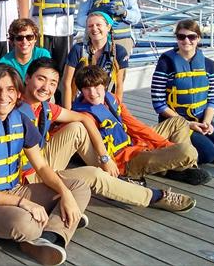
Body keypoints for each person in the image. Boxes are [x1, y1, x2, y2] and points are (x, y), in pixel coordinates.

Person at [0, 63, 90, 265]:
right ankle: (52, 223)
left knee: (78, 187)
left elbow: (42, 167)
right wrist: (24, 203)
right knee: (26, 223)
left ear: (18, 93)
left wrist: (66, 194)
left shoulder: (21, 120)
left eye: (10, 90)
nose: (3, 96)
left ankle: (52, 237)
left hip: (14, 190)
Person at [21, 58, 195, 213]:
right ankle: (155, 196)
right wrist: (105, 160)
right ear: (27, 79)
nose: (46, 87)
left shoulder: (46, 108)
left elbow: (86, 120)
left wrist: (105, 158)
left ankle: (140, 174)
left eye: (52, 83)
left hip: (44, 163)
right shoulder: (15, 113)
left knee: (77, 127)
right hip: (28, 178)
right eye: (41, 79)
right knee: (95, 175)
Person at [72, 65, 211, 186]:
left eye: (97, 87)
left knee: (179, 122)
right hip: (125, 161)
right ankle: (177, 166)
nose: (92, 93)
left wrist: (165, 145)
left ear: (104, 85)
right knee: (188, 152)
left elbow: (136, 126)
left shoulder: (111, 99)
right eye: (87, 88)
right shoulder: (84, 116)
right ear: (81, 91)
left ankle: (176, 167)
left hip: (134, 142)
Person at [151, 19, 214, 165]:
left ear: (198, 38)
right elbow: (158, 103)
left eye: (191, 37)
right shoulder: (165, 64)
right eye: (181, 37)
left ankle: (185, 147)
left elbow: (212, 98)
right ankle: (171, 146)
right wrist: (188, 124)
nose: (186, 41)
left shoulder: (209, 65)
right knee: (208, 154)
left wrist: (206, 122)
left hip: (201, 118)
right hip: (175, 121)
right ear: (177, 38)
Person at [61, 12, 128, 110]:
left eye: (98, 25)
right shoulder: (78, 50)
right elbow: (66, 82)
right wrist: (68, 111)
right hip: (80, 103)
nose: (94, 28)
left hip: (106, 104)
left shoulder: (119, 52)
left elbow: (118, 86)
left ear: (108, 27)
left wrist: (115, 111)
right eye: (90, 26)